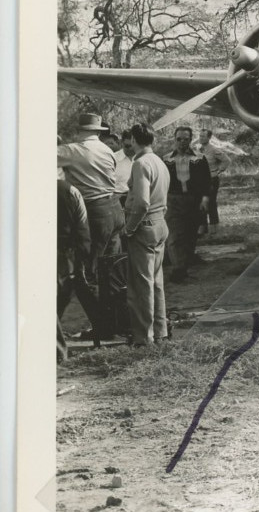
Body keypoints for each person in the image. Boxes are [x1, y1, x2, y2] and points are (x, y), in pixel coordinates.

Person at [57, 113, 127, 342]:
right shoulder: (107, 150)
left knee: (86, 275)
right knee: (112, 271)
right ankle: (117, 322)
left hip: (95, 213)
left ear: (79, 130)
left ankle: (103, 327)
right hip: (115, 209)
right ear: (98, 132)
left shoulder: (74, 150)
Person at [122, 123, 170, 346]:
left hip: (144, 226)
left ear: (133, 139)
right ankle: (160, 333)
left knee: (141, 285)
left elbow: (141, 203)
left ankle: (144, 338)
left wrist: (129, 228)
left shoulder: (140, 163)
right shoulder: (159, 161)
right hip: (160, 223)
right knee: (156, 282)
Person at [163, 125, 211, 281]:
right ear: (174, 139)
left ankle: (184, 266)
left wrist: (205, 199)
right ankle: (178, 270)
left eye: (185, 139)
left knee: (191, 235)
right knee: (175, 236)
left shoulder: (199, 158)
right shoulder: (166, 159)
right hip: (173, 200)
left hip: (194, 200)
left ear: (191, 140)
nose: (182, 142)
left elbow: (207, 180)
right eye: (178, 139)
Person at [56, 171, 89, 361]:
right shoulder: (71, 190)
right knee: (61, 295)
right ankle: (58, 350)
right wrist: (82, 257)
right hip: (66, 254)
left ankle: (57, 348)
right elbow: (82, 225)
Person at [197, 128, 228, 228]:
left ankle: (214, 226)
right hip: (200, 180)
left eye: (203, 136)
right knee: (200, 202)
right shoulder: (197, 149)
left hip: (212, 179)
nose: (200, 138)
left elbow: (226, 160)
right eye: (200, 136)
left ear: (209, 138)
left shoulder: (214, 149)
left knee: (211, 203)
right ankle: (203, 225)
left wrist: (219, 170)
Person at [101, 129, 133, 196]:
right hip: (117, 199)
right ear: (121, 142)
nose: (131, 149)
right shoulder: (112, 159)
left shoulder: (143, 159)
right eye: (127, 146)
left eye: (133, 146)